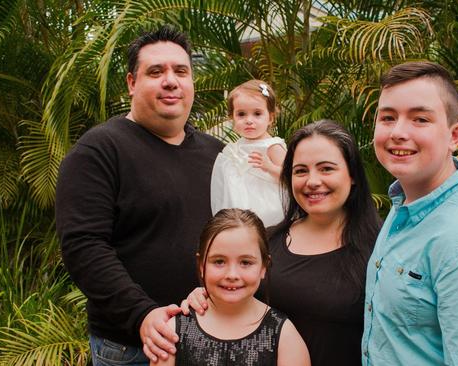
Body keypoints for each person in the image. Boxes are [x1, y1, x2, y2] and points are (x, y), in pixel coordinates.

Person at [55, 25, 224, 366]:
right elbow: (84, 246)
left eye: (181, 71)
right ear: (132, 83)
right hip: (135, 347)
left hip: (212, 336)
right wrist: (143, 315)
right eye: (156, 71)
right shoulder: (100, 150)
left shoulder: (217, 154)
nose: (171, 81)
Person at [174, 120, 382, 365]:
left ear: (353, 174)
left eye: (326, 169)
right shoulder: (266, 240)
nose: (312, 181)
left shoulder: (381, 247)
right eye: (300, 170)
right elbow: (233, 287)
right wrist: (205, 297)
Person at [361, 61, 458, 365]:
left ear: (455, 136)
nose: (398, 132)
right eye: (388, 117)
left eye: (420, 119)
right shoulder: (405, 203)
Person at [151, 208, 310, 366]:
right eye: (219, 261)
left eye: (246, 262)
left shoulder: (284, 336)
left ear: (264, 267)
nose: (232, 274)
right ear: (201, 265)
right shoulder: (173, 332)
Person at [210, 80, 287, 227]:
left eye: (257, 114)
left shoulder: (272, 146)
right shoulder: (235, 147)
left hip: (267, 206)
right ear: (232, 118)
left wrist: (269, 167)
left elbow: (290, 176)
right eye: (241, 114)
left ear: (270, 118)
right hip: (239, 204)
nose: (249, 120)